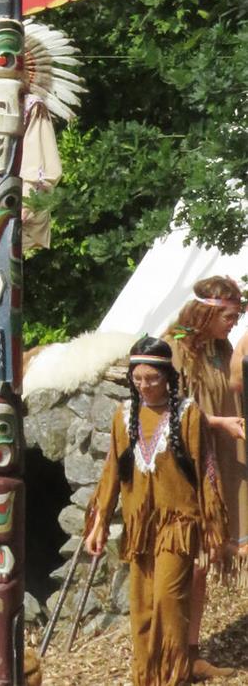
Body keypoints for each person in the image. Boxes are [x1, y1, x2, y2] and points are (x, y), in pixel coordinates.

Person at [84, 337, 229, 686]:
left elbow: (206, 471)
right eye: (138, 379)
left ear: (168, 377)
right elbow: (112, 474)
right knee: (143, 605)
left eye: (152, 379)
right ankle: (147, 677)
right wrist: (99, 523)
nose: (145, 386)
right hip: (140, 527)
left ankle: (172, 676)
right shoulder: (125, 417)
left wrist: (213, 530)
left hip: (179, 524)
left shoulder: (188, 414)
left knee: (168, 599)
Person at [163, 275, 246, 681]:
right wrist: (215, 422)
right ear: (208, 311)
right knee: (185, 561)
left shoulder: (220, 346)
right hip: (187, 467)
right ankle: (171, 653)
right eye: (230, 315)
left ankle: (192, 654)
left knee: (202, 562)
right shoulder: (175, 341)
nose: (235, 322)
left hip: (220, 460)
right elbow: (167, 409)